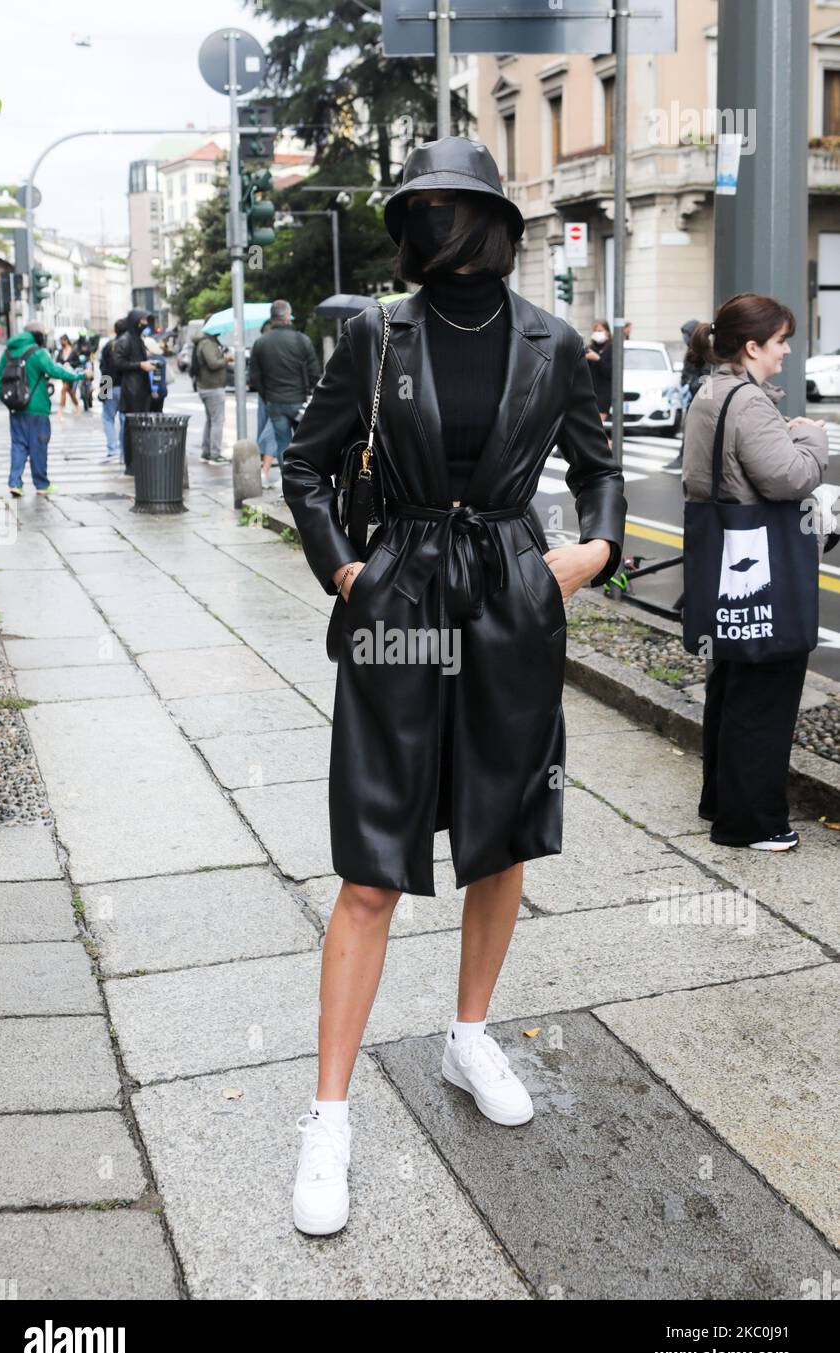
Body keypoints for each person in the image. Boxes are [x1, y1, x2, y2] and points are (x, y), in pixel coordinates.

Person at [281, 135, 626, 1236]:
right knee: (373, 857)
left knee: (503, 829)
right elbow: (306, 461)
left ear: (490, 215)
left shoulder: (552, 340)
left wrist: (595, 550)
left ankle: (468, 1033)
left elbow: (599, 463)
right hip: (397, 604)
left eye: (450, 203)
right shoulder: (371, 336)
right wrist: (345, 565)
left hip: (512, 606)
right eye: (415, 206)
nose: (433, 222)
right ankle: (326, 1115)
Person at [682, 293, 829, 852]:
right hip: (763, 562)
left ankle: (722, 800)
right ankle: (753, 822)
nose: (786, 352)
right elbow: (789, 479)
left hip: (730, 559)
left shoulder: (712, 391)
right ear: (751, 347)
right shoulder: (745, 400)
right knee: (765, 688)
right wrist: (812, 434)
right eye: (780, 341)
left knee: (735, 680)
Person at [0, 321, 87, 497]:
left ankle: (15, 483)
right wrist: (81, 374)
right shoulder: (37, 353)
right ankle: (42, 485)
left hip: (15, 409)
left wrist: (10, 402)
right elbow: (56, 371)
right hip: (37, 409)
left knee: (18, 445)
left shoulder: (7, 353)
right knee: (38, 446)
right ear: (37, 335)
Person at [250, 299, 321, 469]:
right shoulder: (302, 340)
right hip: (300, 401)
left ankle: (288, 486)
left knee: (283, 444)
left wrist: (267, 396)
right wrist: (309, 392)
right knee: (304, 444)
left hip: (274, 401)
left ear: (272, 318)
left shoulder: (260, 343)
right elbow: (315, 373)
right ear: (288, 316)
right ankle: (304, 484)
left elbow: (255, 377)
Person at [112, 309, 157, 474]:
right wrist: (104, 394)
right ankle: (116, 452)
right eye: (142, 321)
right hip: (121, 388)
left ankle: (122, 455)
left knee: (113, 419)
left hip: (119, 387)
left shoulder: (135, 340)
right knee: (111, 419)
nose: (145, 324)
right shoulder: (124, 341)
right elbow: (109, 367)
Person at [663, 318, 702, 473]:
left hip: (697, 398)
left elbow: (703, 376)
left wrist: (689, 386)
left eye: (686, 333)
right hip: (691, 397)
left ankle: (684, 460)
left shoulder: (702, 352)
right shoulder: (691, 350)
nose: (684, 336)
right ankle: (684, 459)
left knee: (692, 431)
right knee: (690, 431)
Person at [248, 320, 281, 486]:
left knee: (270, 431)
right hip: (275, 395)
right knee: (273, 432)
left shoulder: (259, 346)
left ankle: (265, 470)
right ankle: (266, 470)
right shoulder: (279, 346)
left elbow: (253, 374)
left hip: (268, 396)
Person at [195, 325, 232, 463]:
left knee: (211, 420)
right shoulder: (207, 343)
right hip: (212, 387)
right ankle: (214, 454)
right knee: (217, 421)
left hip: (208, 386)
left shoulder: (207, 342)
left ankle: (206, 452)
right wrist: (226, 359)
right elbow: (213, 363)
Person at [99, 319, 125, 462]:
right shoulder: (127, 344)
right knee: (123, 418)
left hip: (108, 383)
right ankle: (123, 450)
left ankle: (112, 449)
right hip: (124, 386)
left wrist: (102, 392)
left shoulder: (108, 346)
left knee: (108, 418)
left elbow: (103, 368)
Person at [585, 318, 613, 421]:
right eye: (595, 331)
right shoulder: (591, 347)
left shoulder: (611, 348)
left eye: (600, 331)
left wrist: (598, 359)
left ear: (607, 332)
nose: (597, 333)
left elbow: (610, 371)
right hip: (590, 391)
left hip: (604, 392)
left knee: (599, 423)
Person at [55, 334, 81, 418]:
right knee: (71, 393)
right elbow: (58, 361)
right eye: (60, 341)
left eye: (62, 341)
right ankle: (78, 407)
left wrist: (69, 363)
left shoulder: (73, 351)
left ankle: (60, 411)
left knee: (63, 390)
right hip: (64, 374)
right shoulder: (60, 351)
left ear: (66, 340)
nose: (61, 342)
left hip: (72, 374)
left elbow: (78, 363)